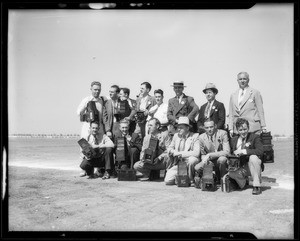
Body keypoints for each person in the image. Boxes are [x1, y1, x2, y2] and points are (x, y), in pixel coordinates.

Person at [228, 118, 264, 195]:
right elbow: (229, 153)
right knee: (230, 173)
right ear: (237, 130)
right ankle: (243, 182)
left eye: (245, 129)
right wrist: (234, 154)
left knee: (253, 157)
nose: (243, 132)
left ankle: (256, 185)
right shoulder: (233, 140)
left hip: (252, 165)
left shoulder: (255, 137)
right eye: (240, 130)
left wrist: (244, 151)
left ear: (248, 128)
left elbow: (260, 151)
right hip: (240, 166)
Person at [228, 72, 267, 137]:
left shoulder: (255, 92)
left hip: (252, 128)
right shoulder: (233, 95)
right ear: (237, 81)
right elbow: (231, 113)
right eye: (240, 79)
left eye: (244, 79)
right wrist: (231, 128)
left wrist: (263, 126)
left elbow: (260, 110)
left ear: (248, 80)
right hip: (238, 129)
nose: (242, 81)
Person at [164, 116, 200, 186]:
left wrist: (180, 154)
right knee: (167, 181)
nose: (178, 129)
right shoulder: (176, 136)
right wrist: (172, 151)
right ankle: (181, 177)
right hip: (179, 163)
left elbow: (196, 153)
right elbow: (169, 148)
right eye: (178, 127)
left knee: (192, 160)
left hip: (189, 163)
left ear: (187, 128)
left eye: (181, 128)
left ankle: (191, 179)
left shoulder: (195, 136)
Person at [194, 119, 230, 184]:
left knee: (222, 160)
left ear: (215, 126)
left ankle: (222, 179)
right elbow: (203, 154)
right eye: (207, 128)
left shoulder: (223, 133)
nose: (209, 129)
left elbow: (227, 151)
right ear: (204, 128)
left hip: (220, 158)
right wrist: (206, 160)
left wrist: (210, 155)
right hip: (209, 160)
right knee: (197, 168)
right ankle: (209, 179)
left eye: (211, 127)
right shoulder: (201, 137)